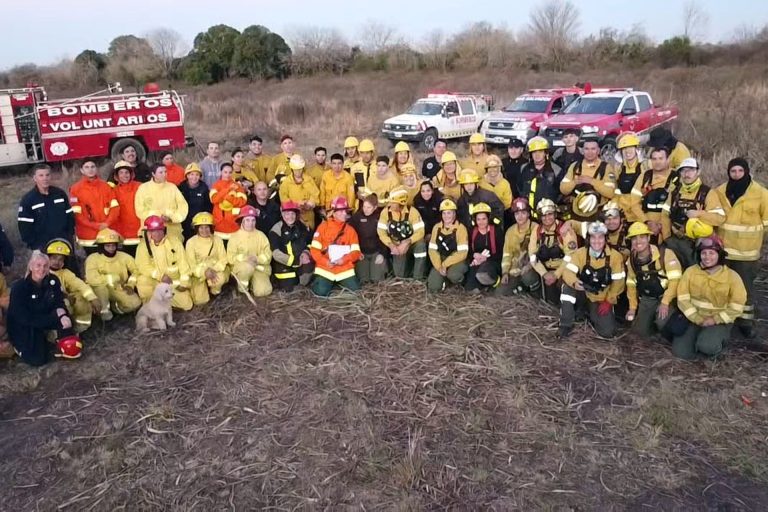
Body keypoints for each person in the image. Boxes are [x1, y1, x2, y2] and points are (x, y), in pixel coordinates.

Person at [716, 157, 768, 338]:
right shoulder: (720, 191)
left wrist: (756, 239)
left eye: (740, 171)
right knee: (723, 286)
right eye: (733, 171)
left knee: (745, 288)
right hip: (723, 251)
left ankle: (745, 322)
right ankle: (724, 319)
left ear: (746, 171)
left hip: (747, 252)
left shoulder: (760, 193)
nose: (736, 175)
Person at [674, 235, 746, 360]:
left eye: (712, 253)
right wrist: (697, 318)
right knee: (680, 353)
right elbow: (682, 299)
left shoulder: (732, 277)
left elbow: (737, 306)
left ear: (720, 255)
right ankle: (699, 338)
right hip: (695, 319)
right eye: (704, 253)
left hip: (719, 321)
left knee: (708, 346)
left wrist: (715, 319)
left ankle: (716, 343)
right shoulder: (690, 272)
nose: (707, 257)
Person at [8, 251, 80, 366]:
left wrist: (63, 315)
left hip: (46, 317)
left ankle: (53, 338)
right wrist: (52, 319)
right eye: (38, 265)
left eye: (45, 266)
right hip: (26, 324)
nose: (42, 269)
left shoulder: (53, 280)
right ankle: (22, 346)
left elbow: (58, 301)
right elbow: (22, 317)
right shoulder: (19, 287)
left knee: (71, 343)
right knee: (38, 360)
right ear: (31, 266)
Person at [558, 221, 625, 339]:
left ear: (605, 239)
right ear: (588, 239)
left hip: (601, 298)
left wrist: (609, 301)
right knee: (567, 288)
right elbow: (567, 272)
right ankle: (565, 324)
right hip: (583, 292)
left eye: (600, 237)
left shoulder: (615, 257)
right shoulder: (580, 253)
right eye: (593, 237)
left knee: (607, 332)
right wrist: (574, 282)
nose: (597, 241)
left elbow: (618, 283)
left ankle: (587, 313)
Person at [663, 158, 725, 268]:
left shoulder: (707, 193)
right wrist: (666, 238)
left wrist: (699, 214)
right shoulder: (674, 193)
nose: (687, 174)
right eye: (683, 170)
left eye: (691, 170)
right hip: (675, 241)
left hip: (698, 245)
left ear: (698, 172)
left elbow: (720, 218)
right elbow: (665, 216)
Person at [624, 222, 682, 337]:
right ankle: (651, 326)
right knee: (639, 332)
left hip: (666, 296)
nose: (638, 241)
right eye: (634, 238)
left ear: (649, 237)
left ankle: (666, 328)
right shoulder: (631, 260)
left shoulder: (665, 254)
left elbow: (675, 281)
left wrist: (665, 303)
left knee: (662, 322)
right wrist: (632, 308)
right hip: (648, 298)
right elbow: (631, 284)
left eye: (642, 237)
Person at [135, 215, 194, 311]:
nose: (157, 234)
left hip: (172, 282)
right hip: (154, 281)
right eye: (153, 231)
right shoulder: (143, 247)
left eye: (159, 230)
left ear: (164, 230)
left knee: (187, 305)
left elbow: (183, 264)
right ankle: (150, 305)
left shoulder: (174, 242)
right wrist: (160, 276)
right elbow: (143, 266)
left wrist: (184, 283)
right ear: (148, 233)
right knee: (143, 280)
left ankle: (162, 302)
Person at [528, 198, 578, 305]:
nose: (547, 218)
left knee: (564, 293)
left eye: (550, 214)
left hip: (563, 270)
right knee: (549, 301)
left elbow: (571, 256)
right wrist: (544, 273)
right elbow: (532, 256)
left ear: (555, 214)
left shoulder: (564, 230)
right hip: (545, 271)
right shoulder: (536, 231)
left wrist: (556, 274)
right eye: (543, 215)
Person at [84, 228, 142, 320]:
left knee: (135, 304)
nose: (111, 248)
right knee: (101, 289)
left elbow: (136, 271)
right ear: (101, 246)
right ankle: (102, 312)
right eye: (108, 246)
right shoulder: (92, 258)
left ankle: (114, 307)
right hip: (99, 289)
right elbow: (92, 279)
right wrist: (112, 278)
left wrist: (130, 285)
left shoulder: (124, 256)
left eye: (113, 245)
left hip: (118, 287)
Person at [310, 196, 362, 297]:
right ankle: (323, 282)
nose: (344, 214)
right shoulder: (322, 228)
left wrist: (344, 259)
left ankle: (334, 283)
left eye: (345, 211)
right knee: (320, 292)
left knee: (355, 291)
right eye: (341, 211)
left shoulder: (351, 230)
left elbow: (356, 252)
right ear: (333, 213)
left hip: (344, 268)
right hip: (326, 268)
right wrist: (325, 262)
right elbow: (314, 250)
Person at [45, 239, 101, 332]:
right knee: (65, 305)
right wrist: (64, 296)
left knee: (81, 296)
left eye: (60, 259)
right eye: (54, 258)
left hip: (65, 302)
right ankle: (56, 332)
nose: (57, 262)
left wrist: (92, 298)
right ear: (48, 258)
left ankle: (80, 327)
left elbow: (80, 285)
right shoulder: (41, 272)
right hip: (51, 307)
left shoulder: (65, 273)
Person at [18, 164, 74, 251]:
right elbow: (24, 227)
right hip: (43, 246)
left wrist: (70, 235)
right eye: (41, 175)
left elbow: (70, 215)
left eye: (47, 175)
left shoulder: (59, 193)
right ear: (35, 178)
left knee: (69, 265)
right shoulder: (28, 199)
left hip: (64, 241)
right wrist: (35, 246)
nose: (45, 178)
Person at [69, 159, 119, 254]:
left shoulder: (106, 186)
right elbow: (77, 214)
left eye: (92, 167)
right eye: (87, 167)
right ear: (82, 170)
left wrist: (107, 223)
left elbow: (115, 208)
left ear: (96, 169)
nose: (90, 169)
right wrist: (96, 226)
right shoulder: (75, 189)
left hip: (107, 231)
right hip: (88, 235)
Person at [560, 138, 616, 223]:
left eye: (593, 149)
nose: (590, 152)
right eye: (587, 149)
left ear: (598, 151)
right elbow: (563, 189)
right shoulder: (574, 166)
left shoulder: (606, 168)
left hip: (597, 215)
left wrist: (592, 181)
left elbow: (611, 193)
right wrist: (575, 182)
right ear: (582, 151)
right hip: (576, 214)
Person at [377, 187, 427, 279]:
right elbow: (381, 233)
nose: (390, 204)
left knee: (421, 246)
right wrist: (392, 245)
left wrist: (408, 242)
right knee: (399, 275)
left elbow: (420, 232)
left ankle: (418, 278)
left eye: (393, 202)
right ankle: (405, 273)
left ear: (401, 203)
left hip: (411, 244)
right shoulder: (385, 212)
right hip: (396, 246)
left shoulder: (413, 212)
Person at [630, 147, 676, 243]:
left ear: (668, 160)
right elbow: (634, 203)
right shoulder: (644, 176)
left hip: (669, 225)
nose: (657, 162)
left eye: (660, 158)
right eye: (654, 159)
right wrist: (647, 222)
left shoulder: (676, 177)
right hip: (647, 224)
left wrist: (661, 225)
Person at [134, 163, 189, 241]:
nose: (164, 174)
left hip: (172, 232)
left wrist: (171, 218)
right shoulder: (143, 188)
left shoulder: (172, 187)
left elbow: (183, 207)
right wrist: (158, 217)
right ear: (153, 174)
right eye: (161, 172)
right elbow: (140, 210)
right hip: (151, 233)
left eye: (165, 172)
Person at [227, 205, 273, 298]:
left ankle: (253, 284)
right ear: (242, 221)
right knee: (247, 268)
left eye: (253, 220)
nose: (250, 223)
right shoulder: (234, 237)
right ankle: (242, 288)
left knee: (263, 291)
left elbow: (268, 254)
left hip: (258, 267)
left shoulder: (261, 235)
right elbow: (230, 258)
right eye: (247, 220)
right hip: (242, 268)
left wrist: (257, 259)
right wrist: (246, 259)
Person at [498, 198, 540, 296]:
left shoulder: (536, 228)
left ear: (528, 214)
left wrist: (530, 265)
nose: (520, 216)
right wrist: (505, 273)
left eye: (523, 213)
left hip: (532, 267)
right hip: (515, 270)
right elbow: (506, 254)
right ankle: (521, 289)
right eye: (517, 213)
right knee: (500, 294)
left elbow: (540, 252)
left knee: (528, 278)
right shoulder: (510, 232)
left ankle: (535, 293)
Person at [269, 201, 314, 291]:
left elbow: (310, 242)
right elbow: (276, 253)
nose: (290, 216)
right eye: (287, 214)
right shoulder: (276, 229)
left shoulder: (301, 226)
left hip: (301, 261)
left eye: (292, 213)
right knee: (289, 288)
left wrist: (306, 253)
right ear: (282, 214)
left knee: (306, 280)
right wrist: (295, 261)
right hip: (284, 265)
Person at [185, 212, 229, 305]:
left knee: (218, 280)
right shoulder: (191, 242)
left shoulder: (217, 240)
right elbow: (191, 264)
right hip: (198, 274)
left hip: (215, 270)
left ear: (211, 227)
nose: (204, 230)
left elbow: (223, 259)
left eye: (207, 227)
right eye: (201, 227)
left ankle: (215, 292)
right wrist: (204, 272)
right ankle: (203, 290)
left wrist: (213, 270)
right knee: (201, 301)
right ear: (196, 228)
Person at [427, 199, 469, 293]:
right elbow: (432, 250)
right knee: (433, 287)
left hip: (457, 260)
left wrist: (445, 264)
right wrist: (439, 266)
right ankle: (444, 281)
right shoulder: (436, 228)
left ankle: (459, 283)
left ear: (454, 214)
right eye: (444, 213)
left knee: (453, 275)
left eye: (449, 213)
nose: (446, 216)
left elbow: (462, 253)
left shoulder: (461, 228)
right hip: (441, 260)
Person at [518, 137, 562, 218]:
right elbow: (520, 188)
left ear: (545, 153)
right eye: (534, 152)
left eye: (540, 151)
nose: (537, 155)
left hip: (547, 215)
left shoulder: (556, 170)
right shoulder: (524, 168)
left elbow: (560, 194)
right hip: (527, 215)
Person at [464, 203, 503, 292]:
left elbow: (501, 253)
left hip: (493, 262)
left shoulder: (496, 231)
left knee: (483, 274)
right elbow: (468, 249)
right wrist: (474, 256)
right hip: (477, 262)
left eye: (484, 219)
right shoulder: (472, 231)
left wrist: (486, 259)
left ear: (488, 218)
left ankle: (495, 282)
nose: (481, 222)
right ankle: (483, 286)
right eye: (478, 219)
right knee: (469, 288)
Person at [350, 194, 388, 284]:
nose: (365, 209)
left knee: (376, 280)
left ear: (375, 207)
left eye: (369, 207)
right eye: (364, 206)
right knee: (363, 280)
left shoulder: (380, 217)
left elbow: (384, 236)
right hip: (362, 252)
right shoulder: (357, 217)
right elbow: (350, 235)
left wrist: (382, 254)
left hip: (376, 252)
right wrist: (356, 252)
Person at [108, 161, 142, 256]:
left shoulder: (140, 187)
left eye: (126, 172)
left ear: (131, 174)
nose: (124, 175)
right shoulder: (113, 191)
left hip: (140, 231)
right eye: (121, 173)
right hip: (123, 233)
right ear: (116, 176)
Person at [611, 132, 646, 223]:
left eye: (630, 147)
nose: (627, 151)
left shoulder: (645, 166)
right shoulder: (618, 168)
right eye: (624, 148)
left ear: (636, 149)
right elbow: (615, 190)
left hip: (640, 212)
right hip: (624, 212)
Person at [279, 155, 320, 229]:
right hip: (293, 216)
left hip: (308, 215)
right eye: (296, 169)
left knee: (309, 235)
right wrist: (296, 205)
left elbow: (315, 194)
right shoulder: (286, 182)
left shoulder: (309, 180)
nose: (298, 171)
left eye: (300, 169)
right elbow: (283, 198)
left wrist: (310, 204)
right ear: (292, 169)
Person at [210, 162, 248, 242]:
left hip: (234, 223)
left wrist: (229, 199)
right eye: (225, 172)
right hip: (219, 222)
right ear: (221, 172)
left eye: (230, 172)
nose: (228, 174)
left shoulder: (237, 186)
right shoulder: (216, 185)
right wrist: (227, 190)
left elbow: (243, 201)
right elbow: (214, 200)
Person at [178, 163, 213, 240]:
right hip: (184, 222)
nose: (194, 177)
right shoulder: (180, 188)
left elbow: (208, 207)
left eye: (197, 175)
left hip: (199, 223)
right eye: (191, 174)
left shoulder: (204, 188)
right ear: (187, 175)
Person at [480, 155, 513, 224]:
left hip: (501, 215)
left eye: (495, 167)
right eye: (490, 168)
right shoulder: (481, 183)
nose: (492, 170)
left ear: (499, 168)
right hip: (484, 216)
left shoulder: (505, 183)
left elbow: (507, 204)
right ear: (486, 169)